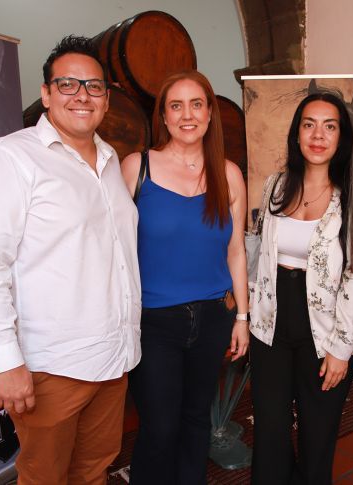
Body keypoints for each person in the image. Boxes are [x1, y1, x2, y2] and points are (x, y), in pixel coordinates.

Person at [0, 35, 140, 485]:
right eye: (68, 83)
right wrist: (5, 362)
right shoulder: (11, 158)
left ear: (106, 98)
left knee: (93, 470)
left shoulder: (109, 157)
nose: (82, 95)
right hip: (51, 367)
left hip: (113, 358)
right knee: (44, 477)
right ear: (45, 94)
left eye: (94, 86)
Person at [119, 70, 249, 485]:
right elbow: (115, 253)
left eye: (197, 104)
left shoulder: (228, 174)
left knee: (196, 422)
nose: (187, 114)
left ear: (210, 114)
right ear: (164, 116)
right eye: (176, 105)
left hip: (212, 318)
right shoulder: (136, 168)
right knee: (159, 428)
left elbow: (236, 250)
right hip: (154, 321)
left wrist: (242, 317)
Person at [248, 91, 353, 485]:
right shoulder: (274, 186)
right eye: (309, 124)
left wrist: (341, 348)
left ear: (341, 137)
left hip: (325, 330)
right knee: (270, 429)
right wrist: (245, 309)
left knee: (318, 434)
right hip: (271, 325)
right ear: (297, 134)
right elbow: (257, 249)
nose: (318, 135)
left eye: (329, 126)